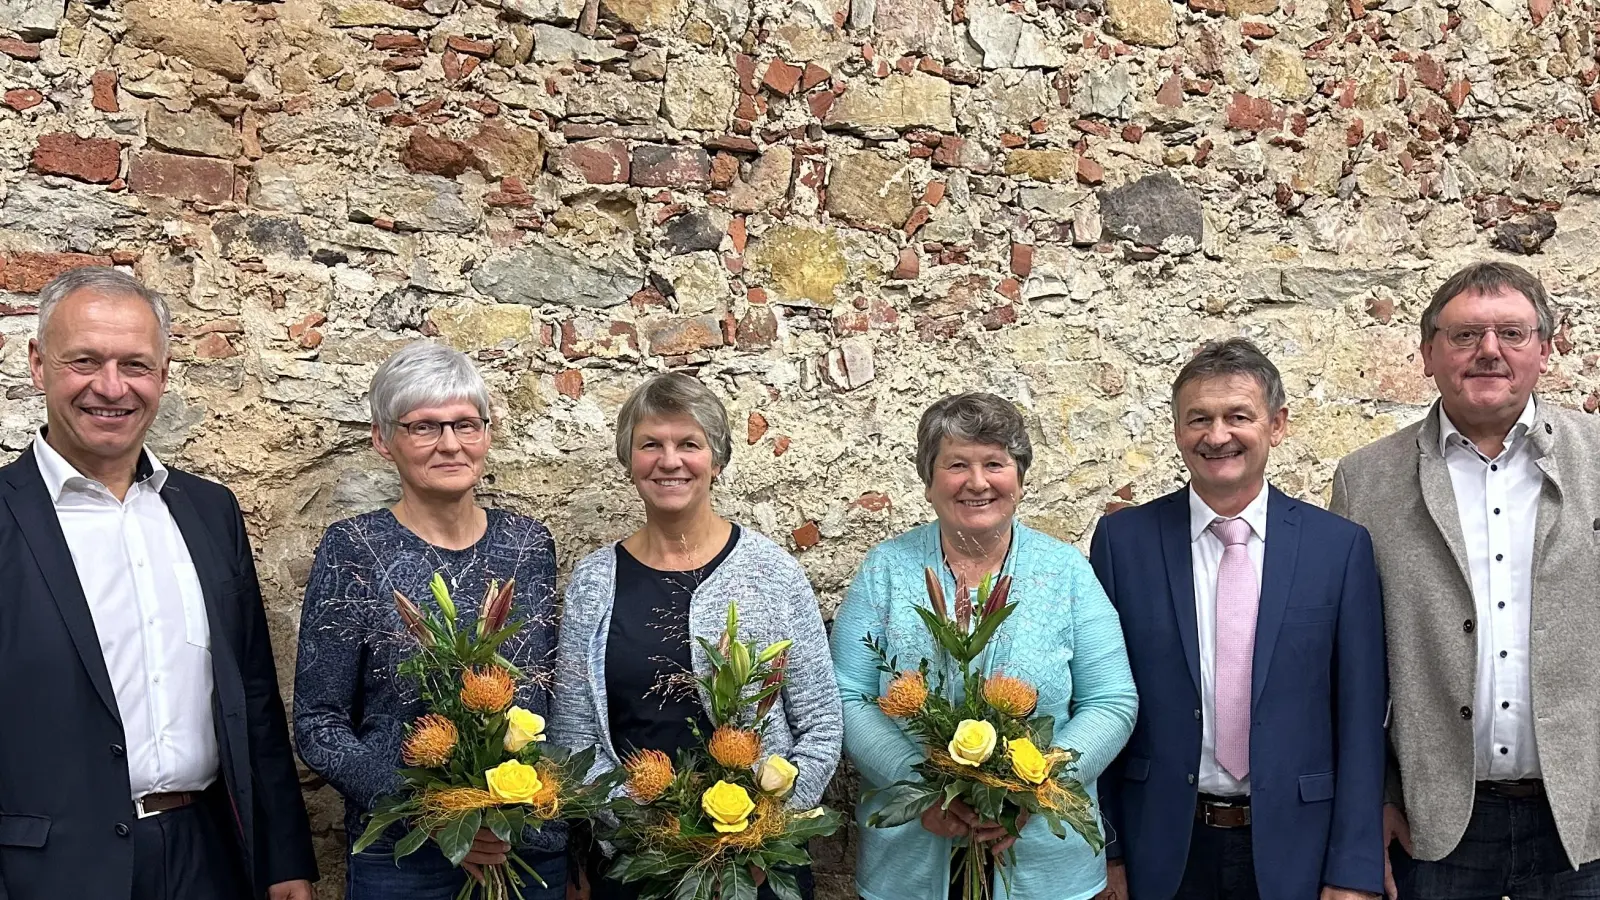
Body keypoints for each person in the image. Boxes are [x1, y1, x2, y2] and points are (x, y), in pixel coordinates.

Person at [0, 267, 317, 900]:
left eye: (136, 365)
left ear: (164, 374)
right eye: (84, 360)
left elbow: (253, 695)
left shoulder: (210, 511)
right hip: (49, 872)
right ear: (37, 364)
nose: (111, 386)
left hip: (209, 858)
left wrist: (283, 858)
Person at [1330, 262, 1600, 900]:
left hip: (1585, 822)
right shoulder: (1365, 480)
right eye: (1464, 335)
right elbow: (1348, 663)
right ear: (1427, 353)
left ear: (1545, 349)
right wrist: (1373, 799)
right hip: (1432, 824)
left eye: (1512, 332)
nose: (1489, 351)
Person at [1090, 338, 1387, 900]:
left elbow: (1361, 717)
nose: (1217, 435)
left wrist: (1353, 870)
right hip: (1161, 849)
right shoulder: (1123, 543)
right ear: (1177, 430)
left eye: (1238, 416)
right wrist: (1106, 851)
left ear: (1277, 425)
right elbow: (1099, 699)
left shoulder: (1338, 547)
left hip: (1299, 848)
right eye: (1198, 418)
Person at [831, 392, 1138, 900]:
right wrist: (920, 790)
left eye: (994, 463)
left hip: (1043, 855)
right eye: (957, 465)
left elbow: (1111, 701)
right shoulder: (885, 570)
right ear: (928, 481)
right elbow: (848, 694)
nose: (977, 482)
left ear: (1019, 478)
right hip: (911, 851)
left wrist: (1033, 788)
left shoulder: (1066, 572)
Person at [550, 373, 842, 900]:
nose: (670, 461)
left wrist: (763, 832)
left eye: (689, 443)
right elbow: (573, 734)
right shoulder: (594, 581)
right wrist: (640, 827)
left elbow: (820, 722)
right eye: (650, 445)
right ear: (629, 460)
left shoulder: (772, 573)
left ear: (717, 460)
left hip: (756, 865)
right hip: (634, 862)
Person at [294, 341, 566, 899]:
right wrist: (438, 813)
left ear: (486, 433)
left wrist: (550, 822)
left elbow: (548, 703)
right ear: (382, 439)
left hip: (525, 846)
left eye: (466, 424)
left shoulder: (528, 545)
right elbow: (319, 725)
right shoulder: (355, 549)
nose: (450, 444)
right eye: (423, 427)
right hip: (405, 855)